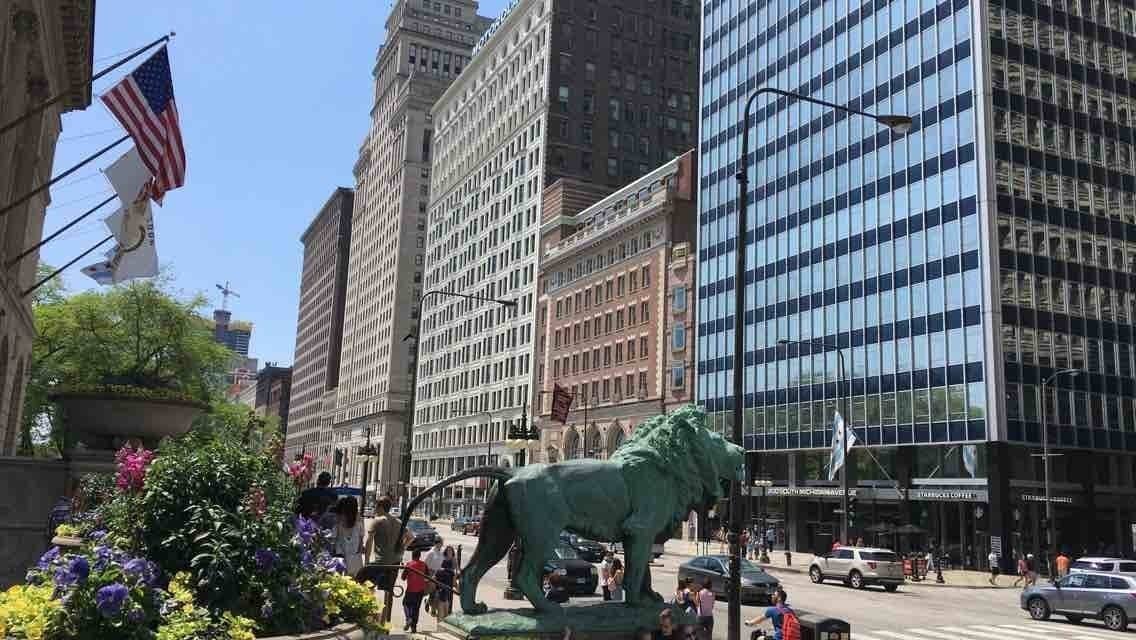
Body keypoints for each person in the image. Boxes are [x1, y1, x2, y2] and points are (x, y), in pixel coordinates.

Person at [333, 496, 365, 576]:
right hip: (355, 559)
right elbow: (361, 543)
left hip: (340, 557)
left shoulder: (338, 521)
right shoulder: (360, 521)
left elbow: (334, 541)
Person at [401, 549, 429, 632]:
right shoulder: (424, 564)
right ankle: (414, 627)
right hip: (420, 590)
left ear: (412, 556)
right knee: (416, 608)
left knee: (405, 603)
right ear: (419, 556)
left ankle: (408, 618)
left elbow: (403, 578)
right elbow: (427, 577)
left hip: (411, 589)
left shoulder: (409, 564)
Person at [423, 539, 445, 614]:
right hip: (431, 574)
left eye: (442, 543)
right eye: (441, 543)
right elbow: (425, 564)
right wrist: (428, 575)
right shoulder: (431, 553)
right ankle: (433, 609)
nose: (442, 544)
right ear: (437, 543)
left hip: (440, 574)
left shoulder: (441, 553)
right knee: (434, 592)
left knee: (436, 592)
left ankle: (428, 602)